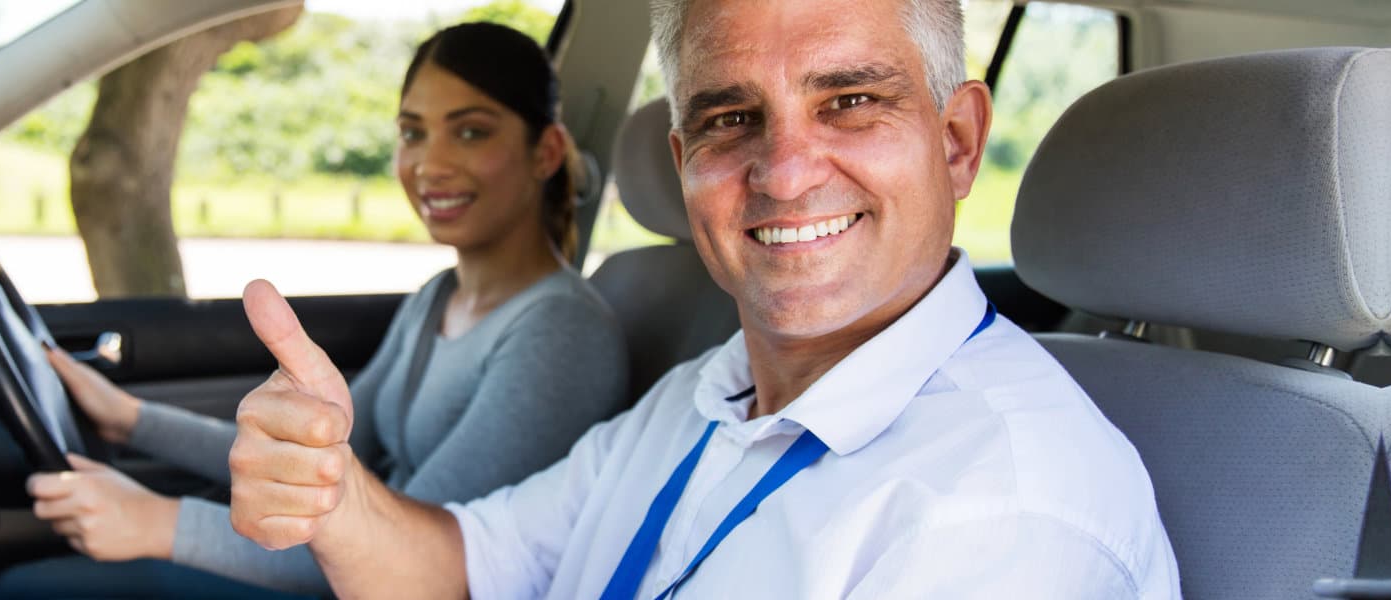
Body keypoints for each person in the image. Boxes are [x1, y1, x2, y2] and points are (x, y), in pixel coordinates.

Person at [224, 0, 1182, 598]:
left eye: (850, 101)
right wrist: (337, 499)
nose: (788, 172)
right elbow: (469, 567)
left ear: (958, 143)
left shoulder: (1001, 510)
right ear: (684, 168)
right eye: (732, 119)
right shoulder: (704, 394)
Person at [0, 22, 629, 599]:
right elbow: (326, 459)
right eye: (412, 133)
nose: (430, 164)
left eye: (470, 131)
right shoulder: (440, 295)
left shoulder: (560, 332)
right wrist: (131, 419)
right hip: (324, 569)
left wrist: (155, 522)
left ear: (546, 152)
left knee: (17, 589)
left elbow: (402, 555)